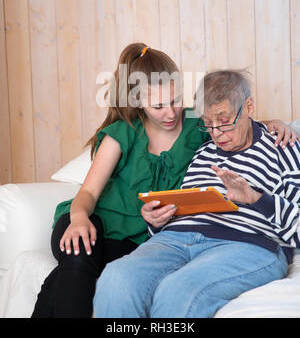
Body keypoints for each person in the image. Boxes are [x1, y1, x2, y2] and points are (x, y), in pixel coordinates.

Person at [31, 44, 296, 318]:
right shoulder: (130, 134)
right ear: (138, 103)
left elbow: (233, 118)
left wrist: (275, 123)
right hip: (94, 219)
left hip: (140, 236)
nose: (171, 113)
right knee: (82, 265)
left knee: (117, 277)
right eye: (158, 106)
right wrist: (79, 218)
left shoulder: (199, 124)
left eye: (176, 100)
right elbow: (87, 191)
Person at [93, 69, 300, 319]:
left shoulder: (283, 147)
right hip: (175, 240)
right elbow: (184, 213)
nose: (216, 134)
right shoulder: (203, 152)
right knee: (116, 278)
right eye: (208, 124)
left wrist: (255, 198)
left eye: (223, 122)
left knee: (178, 290)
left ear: (249, 107)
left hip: (246, 244)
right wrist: (156, 221)